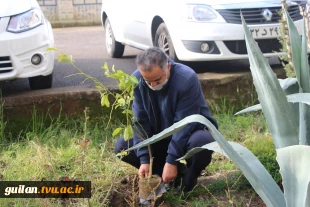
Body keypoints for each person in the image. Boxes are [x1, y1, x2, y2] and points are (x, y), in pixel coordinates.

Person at [114, 47, 218, 193]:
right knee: (122, 148)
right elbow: (140, 121)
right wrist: (144, 159)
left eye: (157, 80)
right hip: (159, 137)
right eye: (148, 81)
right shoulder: (136, 80)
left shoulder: (186, 79)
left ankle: (188, 179)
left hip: (189, 134)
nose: (153, 86)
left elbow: (185, 124)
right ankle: (162, 174)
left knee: (202, 142)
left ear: (168, 66)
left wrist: (172, 160)